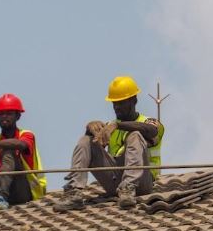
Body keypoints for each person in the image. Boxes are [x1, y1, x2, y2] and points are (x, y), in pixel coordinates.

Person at [53, 76, 164, 212]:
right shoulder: (110, 127)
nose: (117, 107)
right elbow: (92, 147)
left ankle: (128, 188)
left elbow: (152, 131)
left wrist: (118, 125)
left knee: (135, 135)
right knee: (85, 140)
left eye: (121, 103)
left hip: (142, 182)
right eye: (114, 103)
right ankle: (74, 193)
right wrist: (90, 130)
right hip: (115, 183)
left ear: (134, 100)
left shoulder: (149, 122)